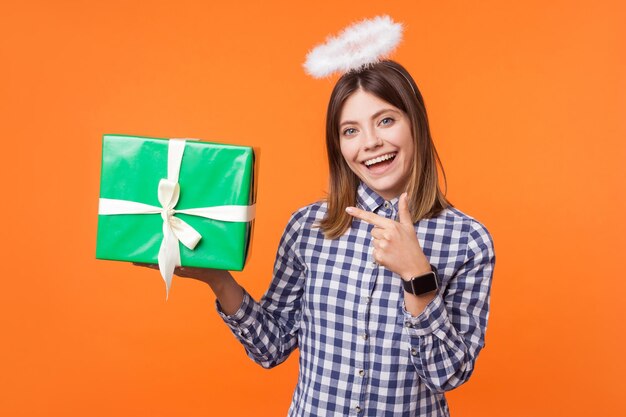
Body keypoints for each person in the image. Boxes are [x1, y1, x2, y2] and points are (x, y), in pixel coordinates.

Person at [169, 59, 496, 416]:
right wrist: (217, 278)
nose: (371, 142)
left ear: (415, 123)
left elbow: (448, 375)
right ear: (338, 145)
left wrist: (418, 277)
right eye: (350, 130)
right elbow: (271, 346)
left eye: (386, 120)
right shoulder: (308, 227)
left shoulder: (468, 240)